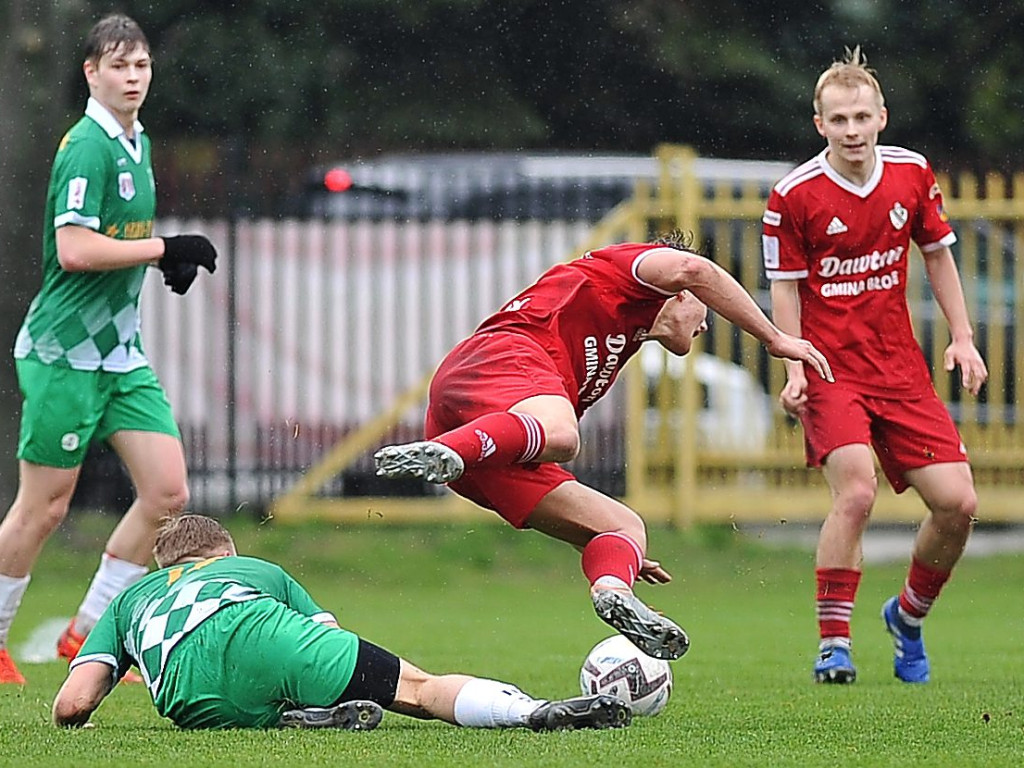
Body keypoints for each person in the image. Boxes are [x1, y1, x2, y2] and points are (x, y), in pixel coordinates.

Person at [374, 232, 834, 661]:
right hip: (499, 362)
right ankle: (450, 452)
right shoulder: (631, 272)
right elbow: (696, 270)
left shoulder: (628, 333)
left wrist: (613, 552)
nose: (707, 323)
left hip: (490, 442)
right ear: (678, 294)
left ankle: (614, 592)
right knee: (562, 436)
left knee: (623, 527)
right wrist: (775, 337)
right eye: (704, 307)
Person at [0, 14, 218, 685]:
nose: (132, 77)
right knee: (44, 507)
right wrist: (164, 247)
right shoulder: (86, 147)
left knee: (167, 491)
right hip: (65, 354)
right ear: (91, 72)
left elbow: (116, 240)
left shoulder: (135, 140)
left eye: (141, 65)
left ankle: (86, 632)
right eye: (118, 66)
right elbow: (73, 249)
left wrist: (161, 260)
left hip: (121, 355)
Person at [760, 47, 987, 685]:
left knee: (959, 504)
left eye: (862, 117)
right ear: (820, 125)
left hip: (899, 368)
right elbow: (785, 287)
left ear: (882, 117)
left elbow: (937, 254)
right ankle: (834, 644)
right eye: (839, 119)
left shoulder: (911, 174)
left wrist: (963, 337)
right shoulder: (793, 195)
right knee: (857, 493)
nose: (852, 130)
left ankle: (907, 617)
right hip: (830, 369)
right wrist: (794, 363)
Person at [52, 514, 631, 732]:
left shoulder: (128, 601)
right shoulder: (256, 569)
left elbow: (72, 704)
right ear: (224, 554)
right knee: (419, 689)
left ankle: (295, 718)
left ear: (165, 568)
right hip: (263, 631)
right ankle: (529, 712)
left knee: (251, 707)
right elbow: (325, 635)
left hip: (193, 703)